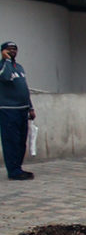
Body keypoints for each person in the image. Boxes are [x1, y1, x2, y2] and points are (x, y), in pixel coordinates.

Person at [0, 41, 36, 181]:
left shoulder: (19, 67)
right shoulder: (3, 66)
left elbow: (24, 89)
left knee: (21, 141)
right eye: (9, 49)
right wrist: (6, 60)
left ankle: (18, 168)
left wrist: (30, 107)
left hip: (23, 110)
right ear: (3, 51)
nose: (13, 51)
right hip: (8, 111)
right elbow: (6, 77)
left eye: (15, 49)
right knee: (11, 141)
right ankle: (13, 171)